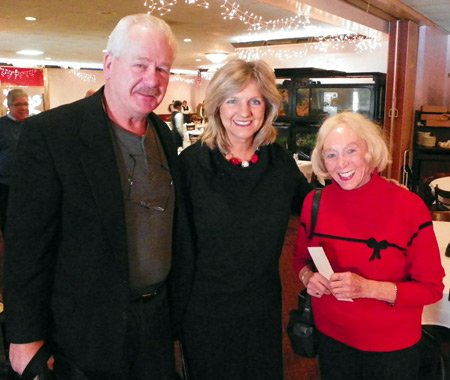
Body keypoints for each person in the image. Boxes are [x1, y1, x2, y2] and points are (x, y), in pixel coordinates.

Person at [4, 13, 182, 380]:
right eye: (141, 65)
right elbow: (26, 247)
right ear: (109, 65)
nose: (153, 80)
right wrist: (23, 337)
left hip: (157, 322)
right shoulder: (52, 134)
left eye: (163, 68)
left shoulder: (163, 134)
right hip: (84, 332)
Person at [177, 59, 311, 380]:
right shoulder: (192, 165)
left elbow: (314, 208)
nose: (245, 111)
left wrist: (369, 191)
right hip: (205, 309)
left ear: (267, 106)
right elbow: (173, 242)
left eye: (255, 101)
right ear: (216, 105)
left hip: (262, 304)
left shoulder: (278, 160)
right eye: (232, 99)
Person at [293, 111, 444, 380]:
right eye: (331, 155)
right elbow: (300, 259)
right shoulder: (314, 203)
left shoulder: (408, 208)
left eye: (350, 150)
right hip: (331, 336)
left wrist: (368, 288)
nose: (341, 164)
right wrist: (308, 278)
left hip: (391, 346)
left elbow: (431, 289)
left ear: (370, 152)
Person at [0, 88, 29, 234]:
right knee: (7, 220)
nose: (23, 108)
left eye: (26, 104)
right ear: (9, 106)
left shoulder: (33, 126)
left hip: (29, 183)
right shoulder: (1, 126)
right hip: (6, 185)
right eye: (18, 104)